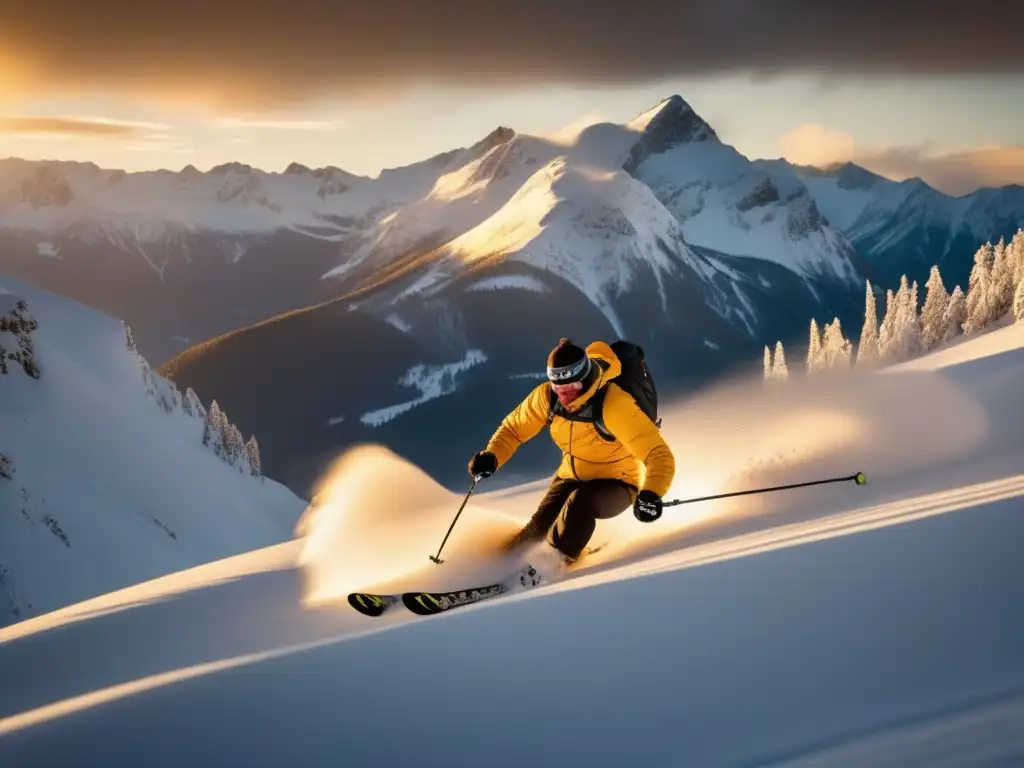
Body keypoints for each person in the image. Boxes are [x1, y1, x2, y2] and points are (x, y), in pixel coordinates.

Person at [467, 338, 675, 565]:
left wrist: (651, 494)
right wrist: (492, 455)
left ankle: (551, 564)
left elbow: (657, 453)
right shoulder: (547, 397)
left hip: (619, 482)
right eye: (558, 388)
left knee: (580, 504)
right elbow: (514, 430)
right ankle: (497, 567)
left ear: (584, 380)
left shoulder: (613, 404)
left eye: (571, 388)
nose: (564, 396)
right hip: (571, 476)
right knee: (536, 530)